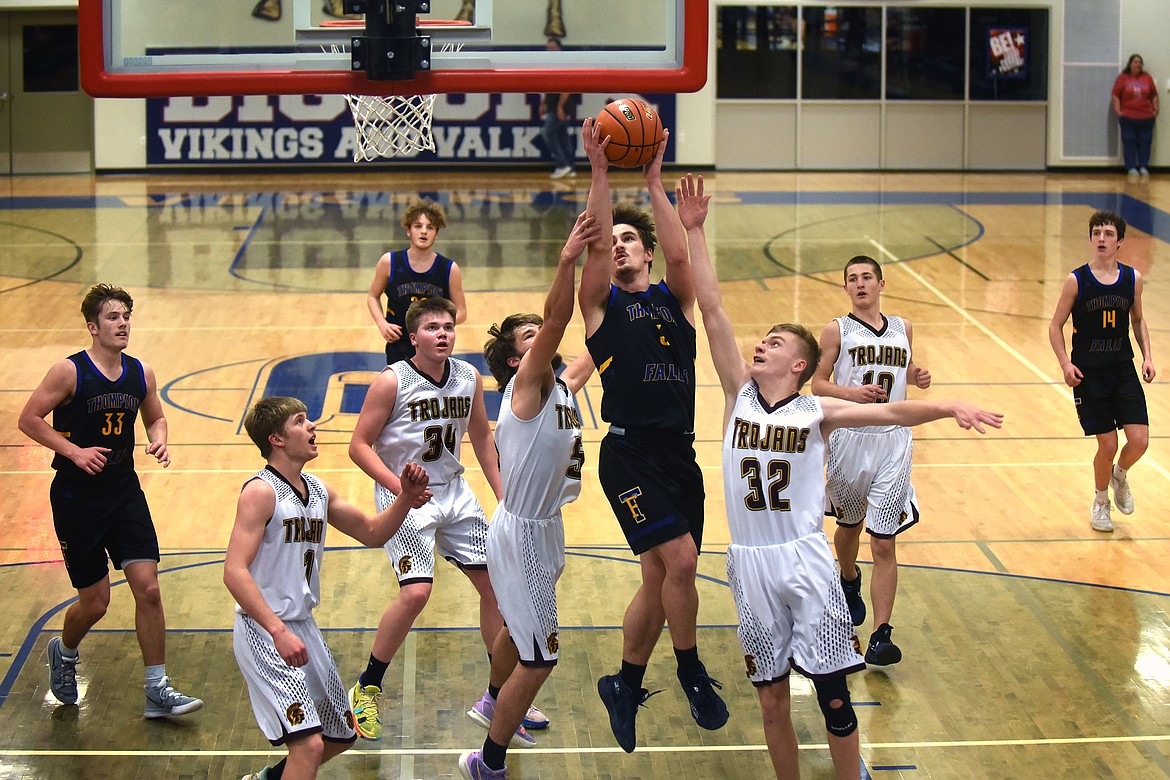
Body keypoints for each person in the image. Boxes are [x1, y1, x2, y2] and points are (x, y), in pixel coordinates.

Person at [677, 173, 1002, 779]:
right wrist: (695, 230)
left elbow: (892, 410)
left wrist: (949, 406)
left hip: (804, 559)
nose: (759, 346)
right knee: (770, 697)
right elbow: (713, 307)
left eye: (772, 343)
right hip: (748, 561)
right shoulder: (738, 396)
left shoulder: (812, 409)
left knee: (832, 695)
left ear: (797, 364)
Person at [578, 119, 726, 753]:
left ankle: (625, 681)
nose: (618, 246)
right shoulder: (601, 309)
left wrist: (655, 183)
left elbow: (678, 256)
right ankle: (690, 671)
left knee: (660, 581)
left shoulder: (674, 299)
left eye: (628, 239)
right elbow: (591, 251)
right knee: (684, 562)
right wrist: (603, 175)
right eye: (612, 241)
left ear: (642, 252)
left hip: (679, 454)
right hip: (629, 451)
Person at [347, 296, 547, 744]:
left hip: (453, 493)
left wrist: (502, 495)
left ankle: (499, 694)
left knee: (496, 588)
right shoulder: (391, 381)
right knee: (417, 592)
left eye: (449, 326)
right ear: (413, 336)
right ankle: (367, 685)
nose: (443, 334)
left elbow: (480, 436)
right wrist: (402, 489)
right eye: (433, 327)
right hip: (405, 496)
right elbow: (359, 446)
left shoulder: (467, 377)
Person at [18, 284, 202, 718]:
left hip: (123, 489)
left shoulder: (141, 372)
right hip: (76, 496)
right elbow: (28, 419)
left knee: (149, 588)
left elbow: (155, 416)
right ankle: (63, 651)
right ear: (93, 327)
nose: (123, 324)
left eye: (126, 316)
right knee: (96, 603)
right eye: (114, 317)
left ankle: (157, 689)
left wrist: (159, 440)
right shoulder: (68, 371)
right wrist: (73, 451)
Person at [457, 213, 598, 779]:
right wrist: (567, 260)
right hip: (522, 534)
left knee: (522, 635)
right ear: (518, 361)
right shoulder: (526, 389)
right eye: (531, 337)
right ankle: (488, 762)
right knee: (542, 656)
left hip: (544, 528)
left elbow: (597, 338)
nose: (545, 336)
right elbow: (563, 317)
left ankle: (493, 700)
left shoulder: (561, 385)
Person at [228, 397, 431, 780]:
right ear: (277, 439)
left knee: (339, 735)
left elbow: (372, 533)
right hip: (266, 630)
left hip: (302, 626)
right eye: (300, 422)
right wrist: (277, 631)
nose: (312, 426)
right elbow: (234, 572)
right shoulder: (260, 492)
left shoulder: (317, 490)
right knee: (309, 746)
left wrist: (404, 498)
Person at [810, 255, 932, 667]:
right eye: (852, 279)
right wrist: (850, 395)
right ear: (846, 288)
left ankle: (882, 634)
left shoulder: (904, 327)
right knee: (849, 527)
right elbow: (818, 383)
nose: (860, 284)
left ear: (882, 283)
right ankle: (849, 577)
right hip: (849, 437)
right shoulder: (836, 330)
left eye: (866, 277)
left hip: (893, 441)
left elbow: (904, 366)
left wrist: (916, 376)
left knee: (883, 540)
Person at [1048, 210, 1155, 533]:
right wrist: (1065, 364)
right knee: (1107, 444)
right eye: (1097, 233)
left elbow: (1137, 319)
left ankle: (1119, 476)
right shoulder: (1076, 280)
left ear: (1120, 241)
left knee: (1139, 440)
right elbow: (1055, 326)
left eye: (1108, 234)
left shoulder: (1131, 279)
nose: (1101, 239)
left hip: (1122, 369)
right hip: (1089, 373)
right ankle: (1100, 502)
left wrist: (1147, 356)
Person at [366, 197, 468, 365]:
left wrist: (438, 328)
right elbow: (372, 297)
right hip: (398, 344)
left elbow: (462, 311)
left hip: (434, 346)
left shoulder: (450, 268)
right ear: (408, 230)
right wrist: (382, 324)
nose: (423, 231)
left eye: (430, 227)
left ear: (436, 233)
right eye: (418, 226)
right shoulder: (389, 262)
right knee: (399, 390)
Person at [1112, 54, 1159, 181]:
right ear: (1130, 64)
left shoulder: (1147, 77)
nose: (1137, 64)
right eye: (1135, 62)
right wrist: (1118, 110)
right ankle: (1131, 167)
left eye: (1140, 62)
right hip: (1128, 117)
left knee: (1145, 142)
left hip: (1146, 117)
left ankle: (1144, 167)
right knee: (1129, 141)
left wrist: (1155, 109)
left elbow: (1154, 94)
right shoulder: (1123, 77)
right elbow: (1115, 94)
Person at [541, 39, 578, 180]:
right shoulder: (550, 65)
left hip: (558, 108)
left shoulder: (563, 64)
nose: (550, 50)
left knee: (547, 133)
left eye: (553, 47)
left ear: (559, 48)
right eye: (548, 48)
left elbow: (566, 88)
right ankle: (570, 167)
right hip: (553, 106)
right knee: (563, 137)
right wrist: (543, 103)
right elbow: (548, 88)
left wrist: (560, 107)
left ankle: (563, 165)